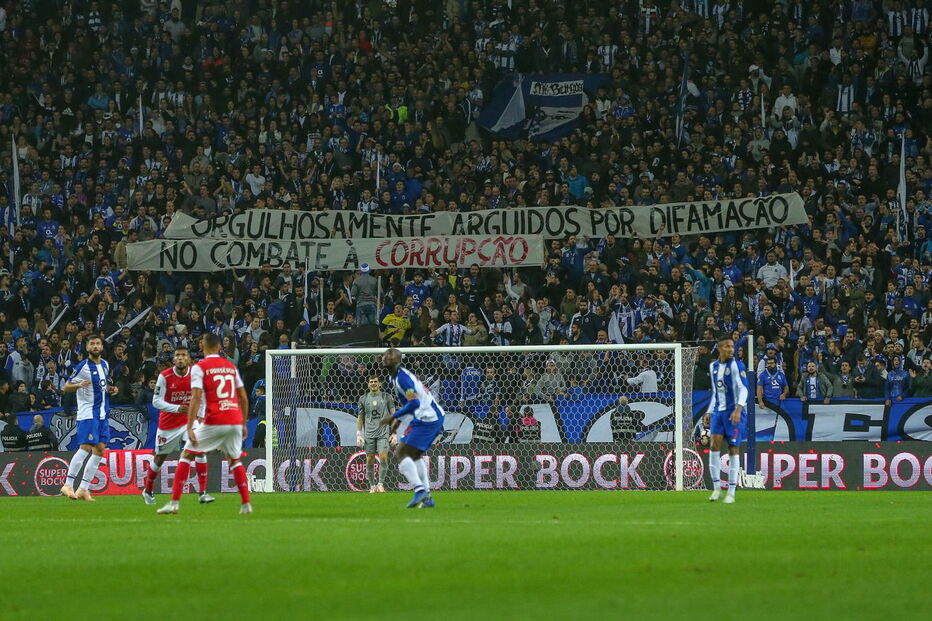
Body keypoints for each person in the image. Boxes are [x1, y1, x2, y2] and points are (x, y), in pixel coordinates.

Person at [157, 334, 251, 515]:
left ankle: (174, 503)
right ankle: (246, 504)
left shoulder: (200, 367)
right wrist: (244, 423)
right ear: (218, 347)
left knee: (186, 454)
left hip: (215, 419)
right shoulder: (231, 367)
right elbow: (244, 398)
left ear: (203, 347)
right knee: (234, 460)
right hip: (234, 419)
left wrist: (190, 426)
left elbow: (197, 398)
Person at [142, 347, 214, 505]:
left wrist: (201, 416)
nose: (180, 358)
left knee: (199, 450)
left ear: (189, 359)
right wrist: (178, 408)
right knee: (160, 458)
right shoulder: (164, 376)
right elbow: (156, 402)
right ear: (174, 360)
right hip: (168, 424)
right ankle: (148, 489)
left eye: (184, 355)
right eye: (178, 356)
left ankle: (202, 492)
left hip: (189, 421)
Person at [379, 348, 444, 508]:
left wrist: (392, 416)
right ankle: (427, 497)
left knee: (402, 452)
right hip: (424, 416)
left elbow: (414, 402)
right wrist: (398, 422)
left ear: (398, 360)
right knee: (414, 456)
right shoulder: (394, 378)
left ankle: (420, 491)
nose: (387, 358)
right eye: (385, 356)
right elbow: (407, 402)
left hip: (428, 417)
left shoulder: (402, 378)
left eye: (391, 357)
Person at [61, 335, 117, 501]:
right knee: (85, 447)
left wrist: (111, 389)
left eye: (98, 343)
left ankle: (83, 489)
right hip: (87, 414)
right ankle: (68, 484)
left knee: (99, 449)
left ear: (101, 346)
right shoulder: (82, 366)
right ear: (87, 348)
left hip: (102, 414)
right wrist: (78, 385)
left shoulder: (106, 365)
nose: (95, 346)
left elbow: (102, 386)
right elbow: (66, 386)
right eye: (92, 343)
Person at [703, 337, 748, 504]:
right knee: (714, 445)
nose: (731, 349)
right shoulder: (713, 366)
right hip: (718, 412)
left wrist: (738, 408)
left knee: (733, 448)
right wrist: (709, 411)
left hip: (734, 412)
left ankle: (731, 492)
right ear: (720, 348)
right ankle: (716, 489)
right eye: (727, 346)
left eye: (732, 347)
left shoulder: (736, 365)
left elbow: (744, 389)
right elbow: (715, 392)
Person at [356, 375, 394, 493]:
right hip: (369, 434)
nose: (373, 383)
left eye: (375, 382)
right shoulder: (363, 399)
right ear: (368, 384)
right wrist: (358, 434)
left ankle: (381, 484)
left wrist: (394, 433)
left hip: (383, 433)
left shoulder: (387, 397)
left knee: (383, 457)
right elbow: (360, 417)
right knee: (370, 459)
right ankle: (372, 486)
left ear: (380, 384)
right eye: (371, 382)